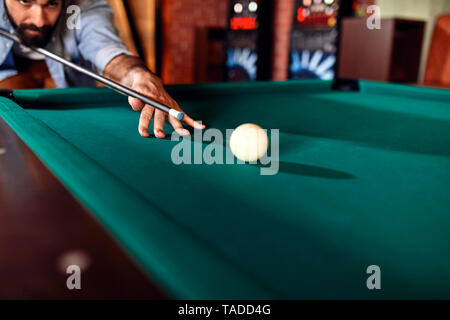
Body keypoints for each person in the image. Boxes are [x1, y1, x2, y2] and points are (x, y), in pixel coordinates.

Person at [0, 0, 205, 138]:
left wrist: (137, 75)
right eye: (25, 0)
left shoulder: (84, 6)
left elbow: (108, 52)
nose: (39, 20)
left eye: (52, 3)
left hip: (74, 130)